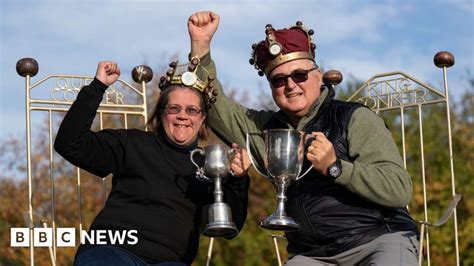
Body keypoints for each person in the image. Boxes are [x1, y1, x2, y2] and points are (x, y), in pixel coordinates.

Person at [187, 11, 420, 265]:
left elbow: (399, 190)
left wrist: (335, 167)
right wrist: (200, 47)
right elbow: (215, 106)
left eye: (300, 75)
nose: (290, 85)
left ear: (318, 76)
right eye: (279, 80)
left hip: (378, 240)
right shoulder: (264, 130)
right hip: (313, 255)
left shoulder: (354, 118)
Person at [54, 60, 251, 265]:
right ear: (161, 113)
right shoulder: (132, 143)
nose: (183, 116)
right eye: (174, 108)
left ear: (202, 119)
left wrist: (238, 180)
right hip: (112, 249)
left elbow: (231, 228)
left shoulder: (209, 165)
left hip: (170, 261)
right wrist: (97, 87)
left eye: (192, 110)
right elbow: (70, 144)